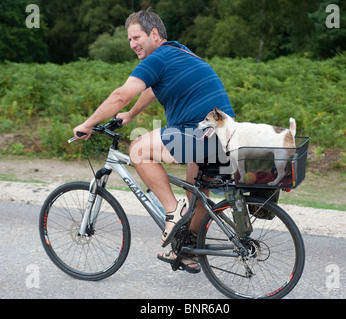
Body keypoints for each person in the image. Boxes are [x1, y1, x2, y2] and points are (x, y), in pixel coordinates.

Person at [74, 10, 235, 273]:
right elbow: (151, 89)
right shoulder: (179, 53)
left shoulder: (158, 58)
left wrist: (88, 123)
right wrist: (131, 114)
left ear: (155, 35)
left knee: (138, 149)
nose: (132, 44)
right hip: (223, 135)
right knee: (196, 193)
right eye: (129, 39)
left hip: (201, 134)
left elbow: (120, 95)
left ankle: (173, 213)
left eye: (136, 37)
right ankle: (188, 250)